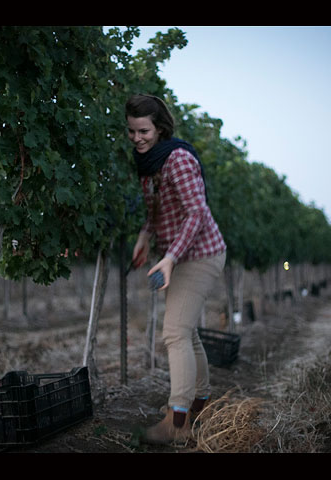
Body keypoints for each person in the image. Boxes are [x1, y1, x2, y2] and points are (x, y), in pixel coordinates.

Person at [125, 94, 227, 445]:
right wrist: (144, 237)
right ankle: (200, 401)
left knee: (174, 333)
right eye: (132, 132)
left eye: (144, 131)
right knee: (186, 332)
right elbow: (156, 213)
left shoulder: (178, 160)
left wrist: (169, 257)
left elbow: (197, 213)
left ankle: (177, 420)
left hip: (199, 254)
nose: (137, 138)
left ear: (160, 129)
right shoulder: (149, 164)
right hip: (178, 257)